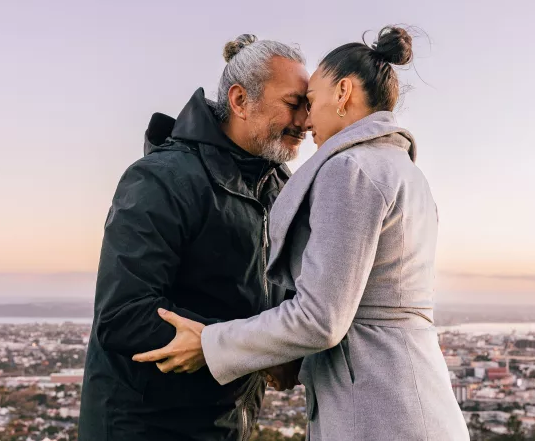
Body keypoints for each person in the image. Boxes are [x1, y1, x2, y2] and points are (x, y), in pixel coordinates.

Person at [133, 26, 469, 440]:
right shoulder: (403, 171)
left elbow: (320, 318)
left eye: (310, 101)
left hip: (379, 409)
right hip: (410, 400)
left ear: (343, 92)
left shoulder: (352, 170)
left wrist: (210, 344)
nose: (307, 120)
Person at [79, 34, 309, 441]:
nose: (305, 121)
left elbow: (283, 296)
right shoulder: (161, 178)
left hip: (224, 422)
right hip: (144, 425)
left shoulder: (280, 187)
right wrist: (254, 350)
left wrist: (286, 351)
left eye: (308, 106)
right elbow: (123, 314)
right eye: (294, 103)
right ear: (239, 101)